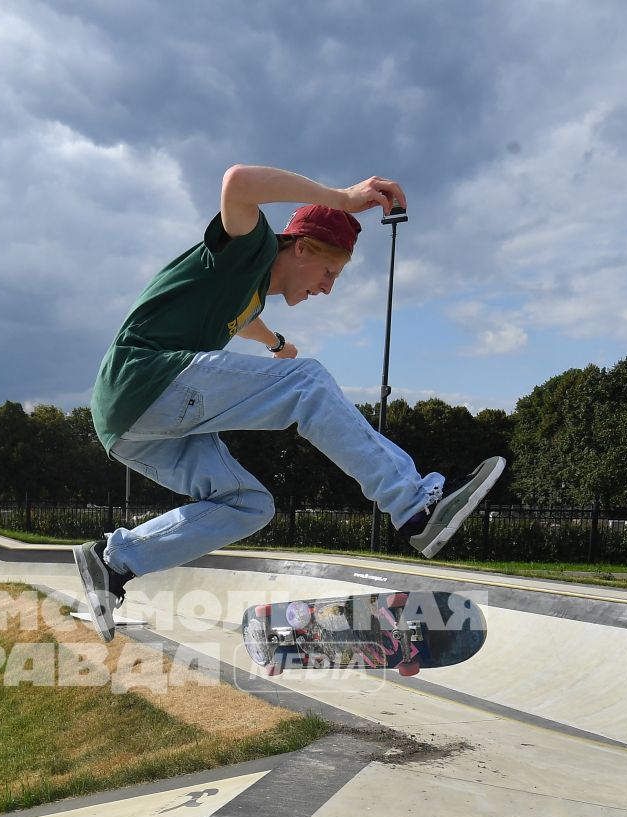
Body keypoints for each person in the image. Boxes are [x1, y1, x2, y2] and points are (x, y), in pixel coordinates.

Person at [73, 164, 504, 641]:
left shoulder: (251, 292)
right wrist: (341, 198)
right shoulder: (250, 248)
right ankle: (414, 506)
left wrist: (275, 343)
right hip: (144, 380)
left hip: (129, 427)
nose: (327, 287)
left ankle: (114, 561)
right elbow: (237, 182)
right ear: (300, 248)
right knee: (307, 383)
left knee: (249, 504)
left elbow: (243, 319)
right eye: (328, 271)